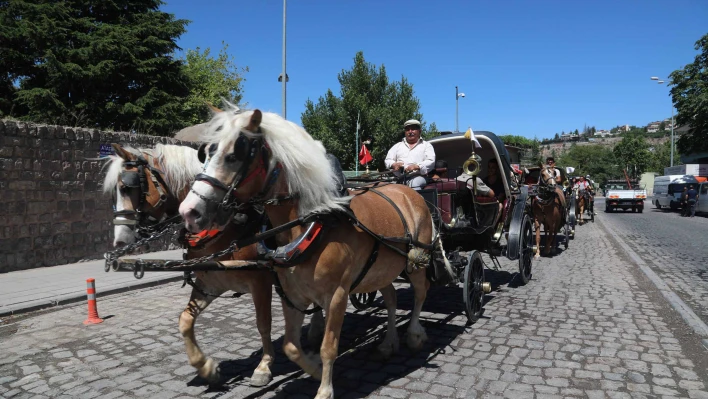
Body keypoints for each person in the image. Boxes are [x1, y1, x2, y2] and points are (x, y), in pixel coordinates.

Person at [385, 119, 435, 190]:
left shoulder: (426, 145)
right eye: (408, 130)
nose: (410, 131)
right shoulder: (397, 146)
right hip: (399, 178)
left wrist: (417, 166)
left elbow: (431, 161)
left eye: (413, 129)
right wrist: (393, 164)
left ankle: (416, 201)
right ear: (405, 132)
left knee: (414, 184)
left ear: (419, 131)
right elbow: (388, 160)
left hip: (418, 177)